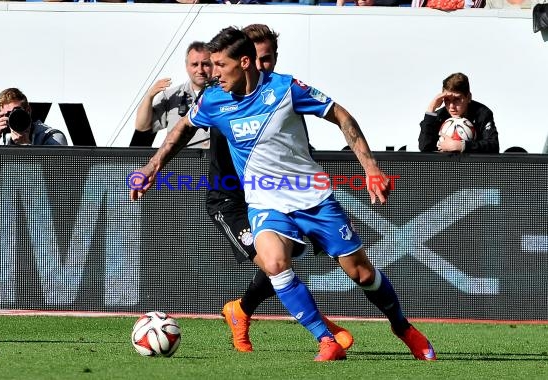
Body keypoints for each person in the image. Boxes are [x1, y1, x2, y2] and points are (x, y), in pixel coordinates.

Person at [130, 26, 436, 362]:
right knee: (274, 264)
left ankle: (402, 327)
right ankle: (326, 340)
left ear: (244, 62)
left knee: (360, 273)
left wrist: (371, 167)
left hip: (312, 196)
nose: (213, 73)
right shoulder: (214, 100)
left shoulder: (285, 89)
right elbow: (183, 127)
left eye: (219, 64)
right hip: (264, 200)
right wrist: (152, 167)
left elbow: (340, 114)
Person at [212, 24, 353, 354]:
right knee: (272, 262)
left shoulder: (278, 95)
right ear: (243, 60)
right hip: (230, 199)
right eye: (258, 60)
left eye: (269, 59)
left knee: (281, 262)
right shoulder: (224, 98)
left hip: (280, 196)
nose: (264, 67)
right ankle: (324, 330)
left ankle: (240, 310)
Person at [134, 41, 212, 149]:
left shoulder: (226, 94)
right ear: (186, 66)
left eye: (205, 64)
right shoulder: (172, 96)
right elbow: (141, 127)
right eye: (194, 64)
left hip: (217, 163)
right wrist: (149, 96)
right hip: (180, 164)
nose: (200, 70)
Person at [418, 72, 499, 153]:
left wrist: (462, 146)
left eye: (457, 99)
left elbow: (494, 145)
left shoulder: (482, 113)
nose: (451, 106)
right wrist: (431, 108)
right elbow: (424, 147)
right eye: (447, 100)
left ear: (469, 97)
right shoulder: (439, 115)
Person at [0, 88, 68, 146]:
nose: (14, 118)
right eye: (9, 114)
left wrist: (25, 145)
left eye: (17, 113)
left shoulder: (52, 137)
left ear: (28, 111)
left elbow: (55, 171)